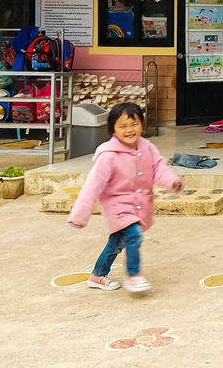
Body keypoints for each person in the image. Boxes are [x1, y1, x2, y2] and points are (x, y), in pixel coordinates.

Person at [67, 102, 183, 293]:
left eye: (134, 124)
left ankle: (97, 275)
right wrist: (80, 215)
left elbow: (158, 168)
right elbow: (93, 185)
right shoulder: (108, 155)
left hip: (137, 205)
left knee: (117, 243)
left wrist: (172, 181)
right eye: (122, 126)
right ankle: (134, 276)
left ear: (141, 124)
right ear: (113, 128)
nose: (129, 130)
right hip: (117, 206)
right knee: (134, 235)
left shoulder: (147, 148)